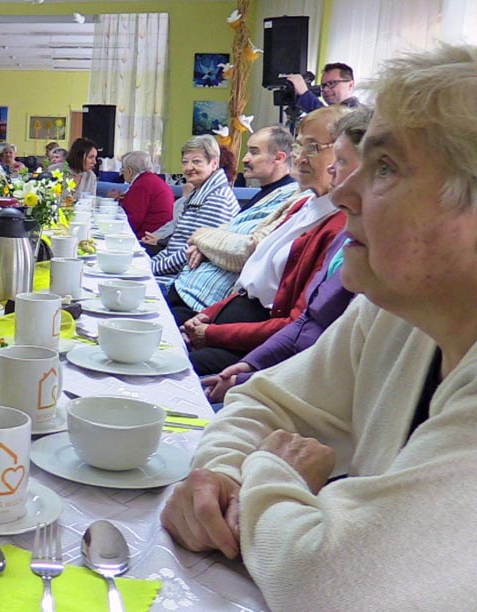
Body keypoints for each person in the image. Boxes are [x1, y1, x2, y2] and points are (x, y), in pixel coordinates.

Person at [161, 45, 477, 610]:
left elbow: (337, 581)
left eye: (385, 168)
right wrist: (217, 473)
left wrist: (266, 473)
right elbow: (267, 403)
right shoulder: (394, 313)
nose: (343, 193)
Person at [201, 108, 371, 403]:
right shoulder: (323, 218)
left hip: (287, 377)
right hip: (268, 361)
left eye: (313, 148)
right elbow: (305, 323)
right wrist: (248, 367)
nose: (301, 157)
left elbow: (325, 360)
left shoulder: (343, 231)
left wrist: (245, 374)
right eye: (299, 146)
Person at [167, 126, 300, 315]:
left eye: (254, 152)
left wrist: (201, 238)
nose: (245, 159)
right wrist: (207, 242)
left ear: (279, 158)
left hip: (200, 304)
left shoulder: (288, 198)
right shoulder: (264, 193)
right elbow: (225, 236)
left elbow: (249, 249)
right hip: (186, 288)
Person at [150, 135, 239, 288]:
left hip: (187, 283)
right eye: (185, 162)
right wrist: (149, 265)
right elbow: (175, 245)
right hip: (177, 275)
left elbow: (189, 254)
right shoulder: (199, 193)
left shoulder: (217, 198)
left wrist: (150, 269)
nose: (189, 167)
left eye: (197, 161)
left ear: (214, 163)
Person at [117, 150, 173, 239]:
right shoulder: (150, 180)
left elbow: (133, 220)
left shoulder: (141, 185)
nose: (122, 173)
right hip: (161, 233)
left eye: (122, 170)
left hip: (148, 236)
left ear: (130, 171)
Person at [287, 62, 359, 114]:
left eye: (332, 83)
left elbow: (331, 121)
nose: (325, 89)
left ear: (350, 85)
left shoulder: (359, 114)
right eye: (323, 85)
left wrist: (305, 94)